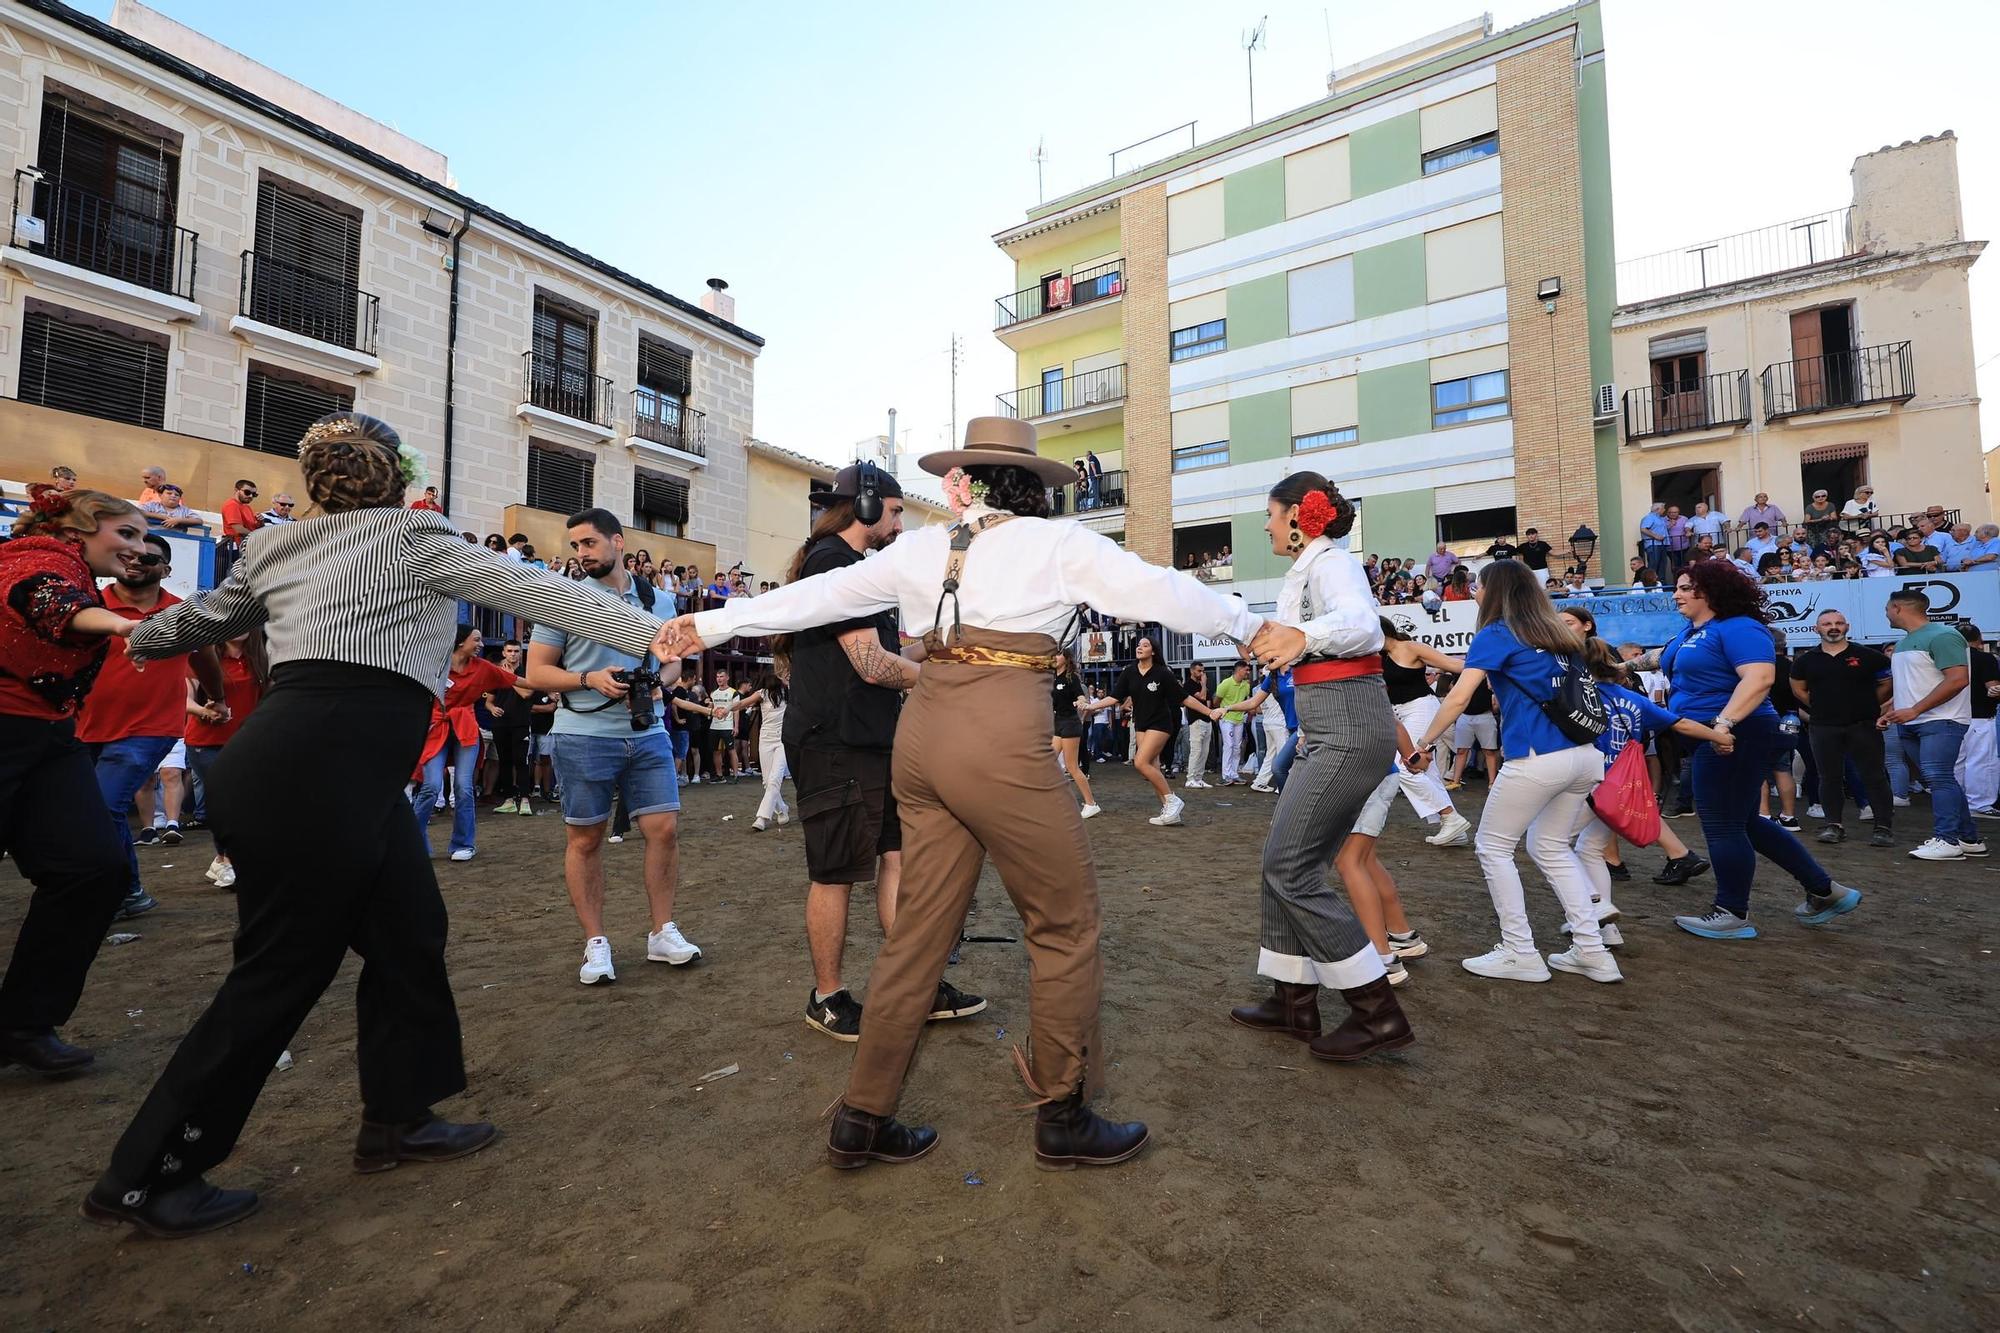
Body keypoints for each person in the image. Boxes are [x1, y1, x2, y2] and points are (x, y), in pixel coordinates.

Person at [84, 412, 675, 1238]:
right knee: (281, 968)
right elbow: (543, 591)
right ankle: (149, 1173)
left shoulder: (276, 545)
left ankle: (397, 1116)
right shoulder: (414, 535)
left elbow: (191, 623)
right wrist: (677, 630)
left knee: (409, 930)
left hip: (312, 765)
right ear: (397, 476)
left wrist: (127, 629)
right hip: (318, 769)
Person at [665, 416, 1271, 1170]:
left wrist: (710, 624)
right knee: (1064, 922)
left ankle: (862, 1117)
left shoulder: (919, 544)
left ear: (968, 484)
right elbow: (1159, 589)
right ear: (1032, 488)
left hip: (921, 737)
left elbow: (816, 598)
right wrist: (1249, 625)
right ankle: (1064, 1109)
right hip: (999, 734)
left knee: (916, 932)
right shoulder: (1058, 544)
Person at [762, 463, 981, 1043]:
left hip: (867, 740)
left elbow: (887, 651)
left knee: (897, 859)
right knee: (836, 874)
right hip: (836, 744)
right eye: (897, 508)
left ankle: (916, 985)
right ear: (865, 507)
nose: (901, 520)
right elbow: (870, 664)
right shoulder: (832, 565)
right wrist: (935, 679)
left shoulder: (852, 569)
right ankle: (827, 998)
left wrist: (934, 645)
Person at [1224, 470, 1414, 1061]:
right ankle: (1293, 1001)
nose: (1265, 524)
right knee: (1281, 861)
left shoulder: (1331, 562)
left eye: (1271, 513)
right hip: (1331, 730)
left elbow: (1361, 628)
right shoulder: (1310, 568)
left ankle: (1376, 1013)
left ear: (1298, 516)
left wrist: (1299, 636)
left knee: (1292, 869)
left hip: (1348, 733)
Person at [0, 487, 157, 1076]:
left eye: (143, 537)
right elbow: (49, 603)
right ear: (79, 528)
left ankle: (22, 1024)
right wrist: (124, 626)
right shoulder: (33, 558)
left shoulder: (71, 569)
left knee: (95, 869)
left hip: (48, 736)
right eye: (127, 534)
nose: (138, 549)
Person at [1638, 561, 1863, 940]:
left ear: (1710, 590)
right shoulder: (1692, 632)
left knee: (1723, 823)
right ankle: (1825, 891)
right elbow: (1656, 659)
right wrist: (1604, 664)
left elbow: (1760, 678)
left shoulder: (1740, 627)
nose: (1675, 593)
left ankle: (1731, 911)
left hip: (1735, 734)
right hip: (1713, 736)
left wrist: (1723, 726)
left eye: (1684, 587)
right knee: (1745, 821)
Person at [1416, 561, 1618, 982]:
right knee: (1552, 847)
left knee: (1493, 848)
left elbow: (1457, 699)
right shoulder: (1561, 636)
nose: (1473, 592)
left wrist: (1423, 743)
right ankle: (1593, 952)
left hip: (1537, 754)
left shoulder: (1497, 633)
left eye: (1478, 586)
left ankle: (1519, 951)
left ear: (1495, 591)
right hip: (1583, 755)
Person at [525, 508, 700, 984]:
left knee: (663, 829)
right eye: (576, 546)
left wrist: (657, 682)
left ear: (618, 542)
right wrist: (589, 678)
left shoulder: (659, 600)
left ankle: (662, 932)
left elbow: (675, 664)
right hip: (582, 734)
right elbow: (536, 672)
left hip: (647, 731)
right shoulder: (561, 598)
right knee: (586, 839)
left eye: (589, 544)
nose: (580, 554)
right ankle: (595, 944)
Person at [75, 533, 219, 919]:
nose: (138, 564)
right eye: (132, 557)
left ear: (166, 570)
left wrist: (216, 697)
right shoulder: (90, 605)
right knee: (92, 810)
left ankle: (120, 892)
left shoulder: (180, 613)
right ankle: (129, 889)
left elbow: (205, 658)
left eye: (149, 560)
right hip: (82, 726)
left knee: (106, 807)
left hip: (150, 727)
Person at [1882, 587, 1982, 860]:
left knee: (1939, 778)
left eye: (1888, 607)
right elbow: (1913, 684)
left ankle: (1947, 839)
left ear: (1898, 608)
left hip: (1941, 721)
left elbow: (1958, 679)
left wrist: (1914, 709)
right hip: (1914, 721)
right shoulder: (1904, 641)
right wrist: (1891, 709)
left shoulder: (1944, 635)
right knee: (1941, 779)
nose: (1886, 612)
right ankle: (1968, 838)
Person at [409, 625, 520, 862]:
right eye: (476, 640)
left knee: (464, 787)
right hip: (437, 727)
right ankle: (412, 841)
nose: (481, 644)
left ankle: (463, 843)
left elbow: (518, 680)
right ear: (460, 642)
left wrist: (567, 682)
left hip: (465, 729)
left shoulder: (482, 667)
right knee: (430, 786)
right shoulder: (435, 663)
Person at [1092, 635, 1222, 824]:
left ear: (1153, 651)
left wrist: (1209, 712)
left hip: (1160, 723)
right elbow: (1114, 697)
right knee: (1152, 768)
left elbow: (1184, 698)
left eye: (1145, 645)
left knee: (1140, 762)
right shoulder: (1129, 672)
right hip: (1141, 723)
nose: (1139, 647)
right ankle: (1170, 813)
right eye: (1138, 645)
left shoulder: (1162, 673)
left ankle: (1172, 799)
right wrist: (1090, 707)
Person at [187, 633, 268, 890]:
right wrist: (203, 711)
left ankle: (223, 859)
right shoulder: (204, 656)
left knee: (249, 803)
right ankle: (228, 861)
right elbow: (182, 697)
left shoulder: (261, 657)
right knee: (226, 803)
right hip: (206, 741)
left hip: (249, 742)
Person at [1381, 623, 1474, 847]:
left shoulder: (1411, 647)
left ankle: (1450, 816)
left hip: (1421, 708)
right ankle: (1453, 829)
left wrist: (1492, 665)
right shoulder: (1375, 657)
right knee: (1426, 770)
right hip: (1397, 714)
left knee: (1403, 764)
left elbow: (1453, 664)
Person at [485, 640, 538, 818]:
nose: (513, 654)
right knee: (504, 761)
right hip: (501, 723)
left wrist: (510, 676)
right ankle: (508, 800)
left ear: (520, 653)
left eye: (516, 651)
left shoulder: (526, 673)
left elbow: (526, 693)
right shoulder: (496, 673)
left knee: (521, 761)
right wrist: (492, 708)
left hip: (521, 723)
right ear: (504, 652)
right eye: (510, 651)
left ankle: (524, 799)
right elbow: (488, 701)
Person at [1953, 624, 1999, 818]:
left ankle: (1956, 802)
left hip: (1952, 716)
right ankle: (1979, 803)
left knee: (1957, 762)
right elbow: (1993, 687)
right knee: (1981, 761)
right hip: (1980, 717)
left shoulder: (1946, 658)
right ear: (1979, 639)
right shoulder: (1985, 658)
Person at [1050, 648, 1100, 818]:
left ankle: (1091, 803)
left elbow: (1081, 696)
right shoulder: (1052, 678)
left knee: (1072, 767)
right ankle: (1055, 799)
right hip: (1058, 724)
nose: (1055, 657)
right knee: (1049, 762)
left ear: (1066, 658)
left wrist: (1081, 701)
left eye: (1058, 654)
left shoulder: (1071, 678)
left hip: (1070, 723)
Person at [1213, 661, 1255, 784]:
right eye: (1246, 670)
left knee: (1237, 747)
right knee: (1229, 745)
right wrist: (1222, 712)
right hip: (1226, 719)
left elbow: (1246, 701)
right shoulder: (1225, 684)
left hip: (1239, 719)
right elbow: (1216, 702)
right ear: (1239, 670)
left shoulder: (1246, 685)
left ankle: (1234, 774)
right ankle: (1226, 775)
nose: (1248, 672)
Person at [1180, 660, 1215, 789]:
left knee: (1204, 751)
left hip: (1207, 720)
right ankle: (1190, 778)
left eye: (1203, 671)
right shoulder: (1188, 685)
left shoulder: (1202, 684)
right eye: (1199, 671)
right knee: (1196, 750)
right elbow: (1202, 696)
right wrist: (1204, 684)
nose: (1201, 673)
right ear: (1192, 671)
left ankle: (1199, 778)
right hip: (1196, 721)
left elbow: (1209, 702)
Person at [217, 479, 262, 579]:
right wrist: (259, 536)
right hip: (237, 548)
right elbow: (239, 529)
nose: (250, 496)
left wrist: (260, 522)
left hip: (246, 547)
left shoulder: (246, 507)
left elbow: (252, 527)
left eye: (254, 494)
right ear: (236, 490)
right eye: (247, 492)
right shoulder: (232, 505)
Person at [705, 668, 740, 783]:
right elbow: (712, 708)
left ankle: (735, 775)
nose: (719, 679)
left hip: (727, 725)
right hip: (715, 726)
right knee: (715, 751)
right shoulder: (713, 693)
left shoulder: (733, 692)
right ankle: (719, 776)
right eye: (717, 677)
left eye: (721, 676)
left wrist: (736, 726)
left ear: (727, 678)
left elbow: (736, 710)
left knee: (731, 750)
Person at [1637, 502, 1670, 582]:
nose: (1664, 510)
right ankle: (1650, 583)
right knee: (1654, 566)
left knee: (1662, 566)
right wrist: (1655, 536)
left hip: (1661, 545)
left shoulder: (1660, 518)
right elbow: (1643, 529)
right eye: (1663, 508)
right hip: (1653, 545)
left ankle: (1661, 585)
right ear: (1657, 509)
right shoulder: (1649, 518)